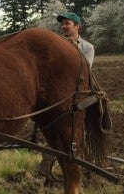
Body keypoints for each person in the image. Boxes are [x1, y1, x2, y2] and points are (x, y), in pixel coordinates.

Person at [38, 12, 95, 181]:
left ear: (77, 26)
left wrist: (72, 49)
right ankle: (45, 170)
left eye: (67, 24)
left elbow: (84, 70)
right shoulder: (56, 46)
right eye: (62, 24)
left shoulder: (87, 47)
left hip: (79, 95)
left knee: (78, 134)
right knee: (51, 130)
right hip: (59, 94)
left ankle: (86, 170)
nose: (63, 27)